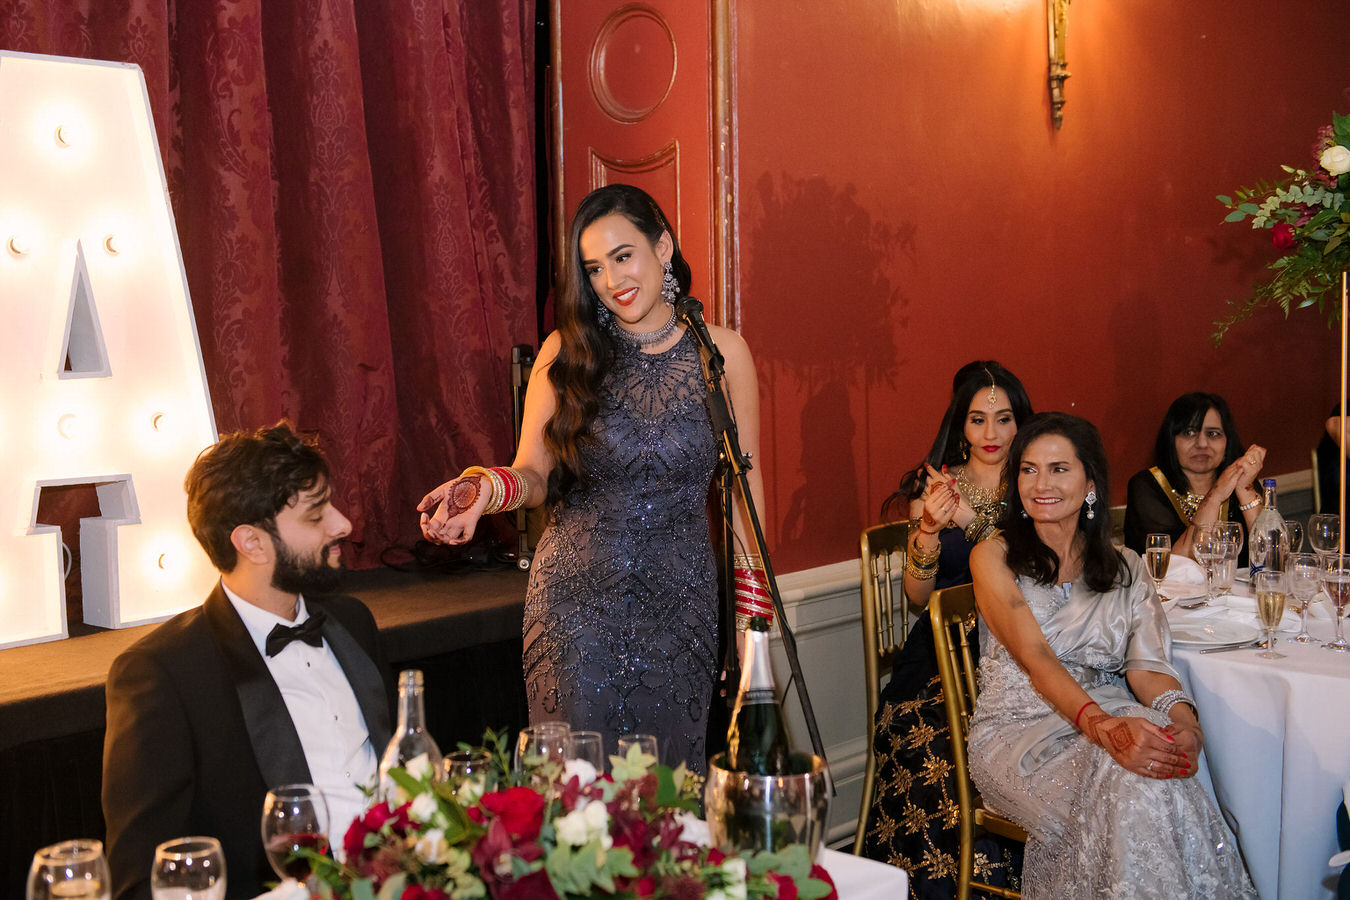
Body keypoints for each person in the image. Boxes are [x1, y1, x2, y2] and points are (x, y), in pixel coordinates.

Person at [418, 184, 766, 771]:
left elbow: (745, 497)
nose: (611, 280)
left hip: (681, 608)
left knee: (666, 800)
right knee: (575, 800)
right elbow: (531, 471)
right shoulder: (567, 352)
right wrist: (484, 489)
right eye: (594, 268)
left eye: (623, 256)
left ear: (663, 246)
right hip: (575, 609)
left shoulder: (722, 354)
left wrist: (753, 628)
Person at [968, 412, 1255, 898]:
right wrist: (1105, 729)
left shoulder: (1126, 566)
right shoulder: (992, 557)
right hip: (1020, 736)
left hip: (1114, 715)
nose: (1041, 483)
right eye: (1029, 469)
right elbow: (1036, 658)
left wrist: (1186, 723)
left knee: (1154, 768)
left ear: (1091, 482)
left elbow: (1148, 669)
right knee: (1138, 781)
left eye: (1059, 469)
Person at [102, 423, 392, 900]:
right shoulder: (163, 673)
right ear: (252, 543)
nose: (343, 524)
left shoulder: (353, 622)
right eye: (317, 515)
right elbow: (140, 882)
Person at [861, 361, 1030, 897]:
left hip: (1021, 650)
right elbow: (916, 597)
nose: (991, 434)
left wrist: (969, 523)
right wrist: (930, 530)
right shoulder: (934, 486)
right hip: (939, 657)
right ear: (960, 425)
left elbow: (1031, 571)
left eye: (1004, 419)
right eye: (978, 419)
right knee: (936, 745)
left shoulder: (1037, 479)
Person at [1123, 392, 1266, 564]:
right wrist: (1216, 496)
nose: (1202, 444)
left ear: (1227, 442)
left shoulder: (1241, 483)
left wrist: (1246, 490)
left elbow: (1270, 558)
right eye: (1189, 433)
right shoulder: (1147, 486)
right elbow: (1172, 567)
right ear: (1171, 440)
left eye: (1213, 434)